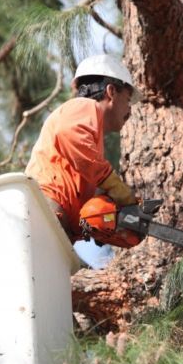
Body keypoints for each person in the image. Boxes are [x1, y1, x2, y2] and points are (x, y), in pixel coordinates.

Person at [25, 54, 141, 243]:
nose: (130, 110)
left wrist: (103, 219)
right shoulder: (85, 106)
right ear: (111, 91)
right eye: (128, 100)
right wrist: (113, 184)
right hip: (48, 206)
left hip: (57, 215)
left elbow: (79, 183)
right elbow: (69, 133)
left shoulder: (91, 139)